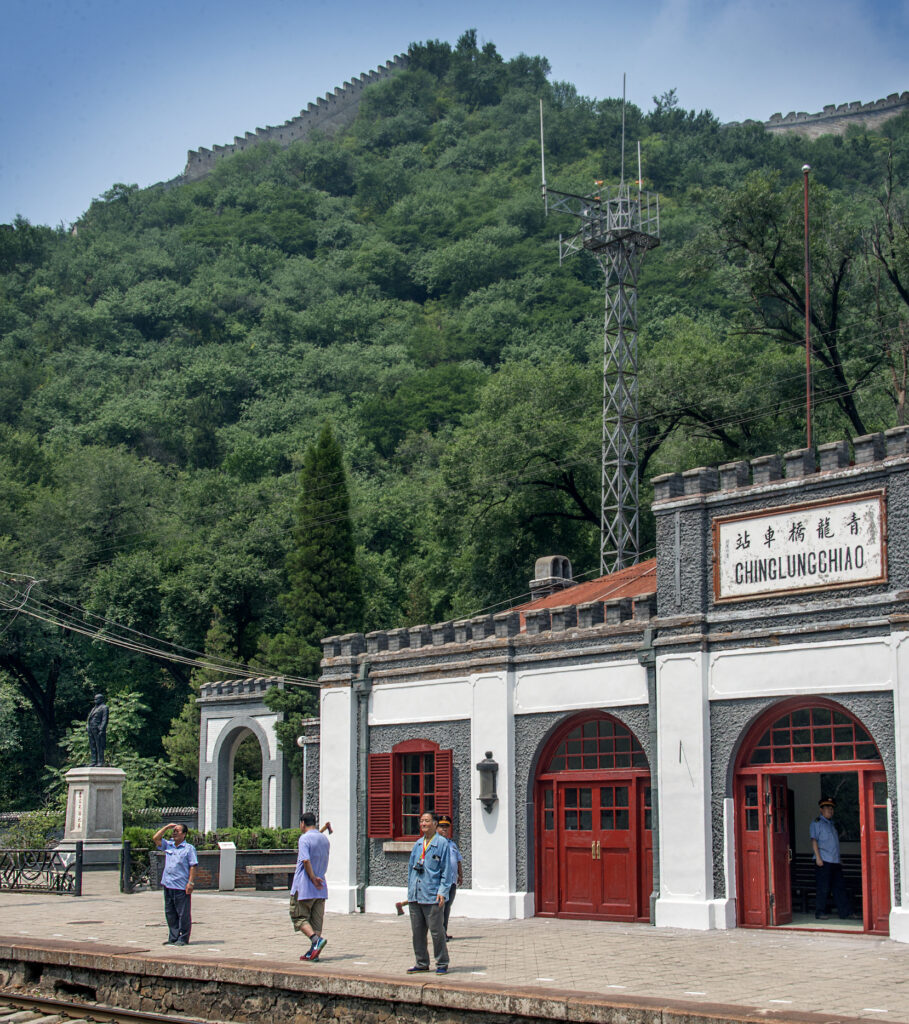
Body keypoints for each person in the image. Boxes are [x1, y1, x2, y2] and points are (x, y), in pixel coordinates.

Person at [406, 810, 453, 975]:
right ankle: (421, 962)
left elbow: (447, 871)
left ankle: (442, 962)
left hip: (432, 895)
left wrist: (443, 891)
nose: (423, 824)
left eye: (426, 821)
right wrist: (410, 892)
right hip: (416, 895)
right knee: (417, 933)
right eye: (421, 821)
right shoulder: (418, 844)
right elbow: (411, 869)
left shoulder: (442, 844)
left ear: (435, 823)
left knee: (436, 932)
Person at [290, 812, 331, 961]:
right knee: (316, 921)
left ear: (302, 823)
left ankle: (315, 940)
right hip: (321, 888)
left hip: (305, 886)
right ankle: (314, 952)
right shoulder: (324, 839)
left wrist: (312, 878)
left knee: (298, 917)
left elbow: (306, 860)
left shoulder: (304, 839)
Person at [810, 796, 857, 920]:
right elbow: (814, 841)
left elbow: (834, 844)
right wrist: (818, 858)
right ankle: (820, 912)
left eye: (831, 808)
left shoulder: (832, 825)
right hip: (823, 860)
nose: (830, 811)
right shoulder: (816, 824)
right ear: (821, 810)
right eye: (827, 808)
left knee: (840, 888)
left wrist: (839, 858)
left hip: (835, 861)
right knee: (823, 888)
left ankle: (845, 913)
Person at [153, 822, 198, 945]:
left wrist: (191, 883)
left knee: (183, 913)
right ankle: (173, 937)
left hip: (181, 886)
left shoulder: (189, 849)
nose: (174, 833)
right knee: (170, 912)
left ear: (184, 834)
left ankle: (183, 937)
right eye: (174, 831)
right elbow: (156, 838)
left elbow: (193, 866)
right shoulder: (169, 845)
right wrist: (167, 827)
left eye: (177, 831)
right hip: (168, 884)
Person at [437, 815, 463, 940]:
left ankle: (444, 932)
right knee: (440, 908)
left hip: (452, 881)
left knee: (447, 908)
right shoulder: (435, 844)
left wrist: (460, 875)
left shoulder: (452, 844)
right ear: (436, 828)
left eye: (446, 827)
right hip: (441, 882)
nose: (444, 829)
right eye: (441, 826)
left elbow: (458, 860)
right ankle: (439, 934)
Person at [86, 694, 109, 767]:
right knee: (92, 745)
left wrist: (102, 729)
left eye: (97, 699)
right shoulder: (94, 708)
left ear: (101, 699)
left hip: (98, 729)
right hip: (91, 729)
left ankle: (101, 761)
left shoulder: (104, 707)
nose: (95, 701)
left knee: (99, 746)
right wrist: (87, 726)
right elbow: (89, 718)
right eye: (95, 699)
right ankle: (93, 761)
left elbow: (105, 720)